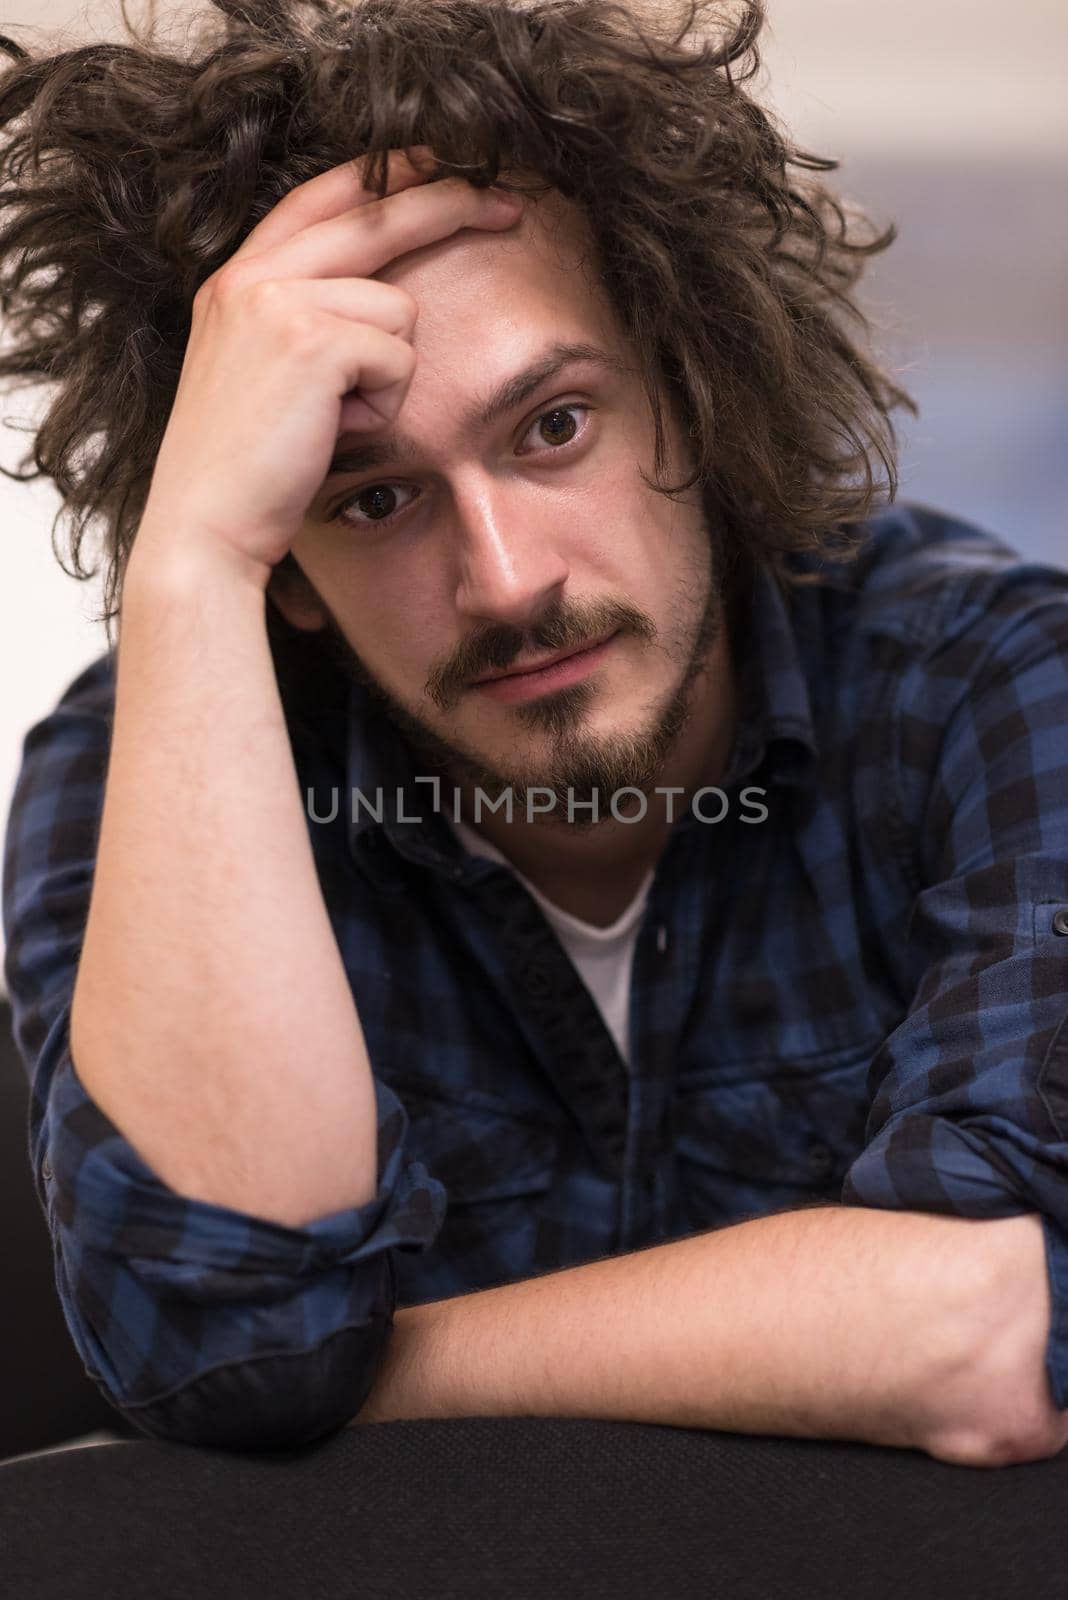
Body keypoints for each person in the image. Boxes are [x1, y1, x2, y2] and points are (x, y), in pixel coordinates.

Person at [1, 0, 1066, 1470]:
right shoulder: (150, 758)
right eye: (371, 499)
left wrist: (349, 1374)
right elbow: (212, 1322)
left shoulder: (997, 681)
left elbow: (996, 1326)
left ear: (695, 392)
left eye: (552, 426)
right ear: (289, 566)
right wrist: (185, 561)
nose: (507, 581)